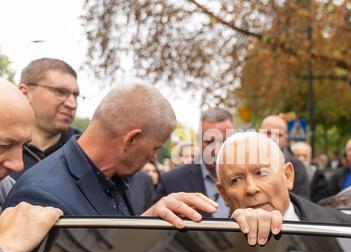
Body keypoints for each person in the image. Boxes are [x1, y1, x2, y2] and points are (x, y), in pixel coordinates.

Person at [4, 81, 218, 227]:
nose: (154, 158)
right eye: (155, 148)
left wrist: (146, 224)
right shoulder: (40, 196)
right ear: (131, 139)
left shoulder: (119, 180)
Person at [215, 132, 351, 246]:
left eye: (261, 173)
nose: (251, 189)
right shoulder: (213, 245)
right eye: (236, 180)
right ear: (224, 194)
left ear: (288, 176)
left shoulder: (346, 230)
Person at [0, 78, 63, 252]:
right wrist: (5, 248)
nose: (19, 165)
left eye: (24, 146)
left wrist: (139, 228)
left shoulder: (5, 190)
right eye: (3, 146)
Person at [10, 58, 82, 181]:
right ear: (25, 93)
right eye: (60, 92)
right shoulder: (4, 147)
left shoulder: (83, 151)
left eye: (75, 96)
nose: (72, 104)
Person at [156, 108, 234, 218]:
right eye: (209, 142)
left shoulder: (255, 180)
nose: (217, 150)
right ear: (198, 141)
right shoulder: (171, 182)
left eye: (224, 141)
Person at [259, 115, 310, 200]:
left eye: (279, 135)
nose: (272, 139)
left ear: (286, 138)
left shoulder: (297, 167)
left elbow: (302, 202)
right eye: (268, 133)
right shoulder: (244, 162)